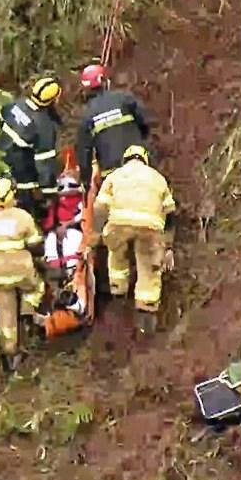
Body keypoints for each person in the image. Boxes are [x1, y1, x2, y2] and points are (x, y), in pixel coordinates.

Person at [92, 145, 176, 333]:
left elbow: (99, 208)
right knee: (149, 267)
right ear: (145, 159)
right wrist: (168, 246)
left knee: (116, 254)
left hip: (119, 224)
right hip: (150, 228)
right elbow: (170, 213)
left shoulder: (115, 176)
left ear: (125, 159)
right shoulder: (158, 178)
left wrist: (96, 234)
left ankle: (118, 292)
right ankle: (146, 311)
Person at [0, 176, 46, 370]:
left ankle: (10, 353)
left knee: (5, 313)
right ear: (10, 195)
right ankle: (28, 313)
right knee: (36, 287)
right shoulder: (21, 216)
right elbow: (36, 243)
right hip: (21, 272)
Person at [0, 76, 64, 218]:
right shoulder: (43, 126)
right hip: (23, 182)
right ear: (53, 100)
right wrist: (49, 193)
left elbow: (0, 119)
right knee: (23, 218)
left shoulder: (17, 105)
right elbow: (45, 164)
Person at [75, 64, 151, 188]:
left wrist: (85, 181)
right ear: (105, 81)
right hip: (137, 167)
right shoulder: (125, 98)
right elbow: (145, 121)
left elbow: (84, 153)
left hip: (111, 176)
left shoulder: (87, 116)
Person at [41, 171, 86, 279]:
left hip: (75, 229)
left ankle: (72, 269)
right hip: (56, 228)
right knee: (50, 240)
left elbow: (83, 213)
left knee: (73, 239)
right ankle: (53, 267)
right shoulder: (56, 202)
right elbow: (50, 217)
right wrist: (55, 228)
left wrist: (68, 224)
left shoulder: (81, 200)